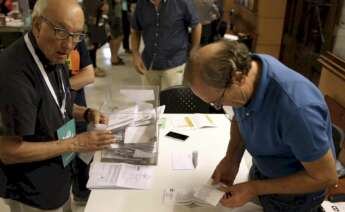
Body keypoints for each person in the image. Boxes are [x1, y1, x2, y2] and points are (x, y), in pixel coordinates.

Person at [184, 39, 337, 211]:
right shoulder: (251, 70)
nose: (221, 106)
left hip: (297, 196)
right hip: (264, 174)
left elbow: (326, 177)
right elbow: (240, 115)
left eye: (218, 102)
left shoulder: (298, 110)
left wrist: (255, 188)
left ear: (238, 78)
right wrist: (231, 158)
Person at [0, 0, 115, 211]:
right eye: (61, 31)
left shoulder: (53, 53)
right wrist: (76, 144)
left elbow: (55, 104)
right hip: (32, 192)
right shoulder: (14, 74)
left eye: (77, 35)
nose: (70, 45)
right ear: (36, 25)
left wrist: (86, 113)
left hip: (59, 177)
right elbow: (7, 151)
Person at [131, 0, 202, 90]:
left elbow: (196, 25)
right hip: (149, 64)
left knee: (170, 101)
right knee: (150, 102)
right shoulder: (141, 4)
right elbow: (135, 30)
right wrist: (135, 54)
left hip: (174, 63)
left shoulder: (182, 2)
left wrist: (195, 48)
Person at [66, 40, 95, 205]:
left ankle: (82, 193)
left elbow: (88, 75)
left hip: (78, 109)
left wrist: (57, 87)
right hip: (56, 115)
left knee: (83, 157)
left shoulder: (77, 41)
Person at [108, 0, 124, 65]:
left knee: (114, 35)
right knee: (118, 36)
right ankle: (114, 58)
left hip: (113, 13)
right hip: (115, 14)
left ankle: (114, 56)